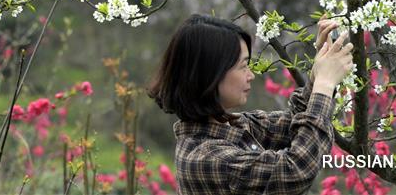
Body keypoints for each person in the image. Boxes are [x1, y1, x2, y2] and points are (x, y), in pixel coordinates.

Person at [147, 14, 354, 195]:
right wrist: (325, 83)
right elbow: (296, 170)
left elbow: (295, 125)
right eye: (243, 66)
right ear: (211, 75)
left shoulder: (230, 126)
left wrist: (320, 69)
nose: (251, 75)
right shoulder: (207, 157)